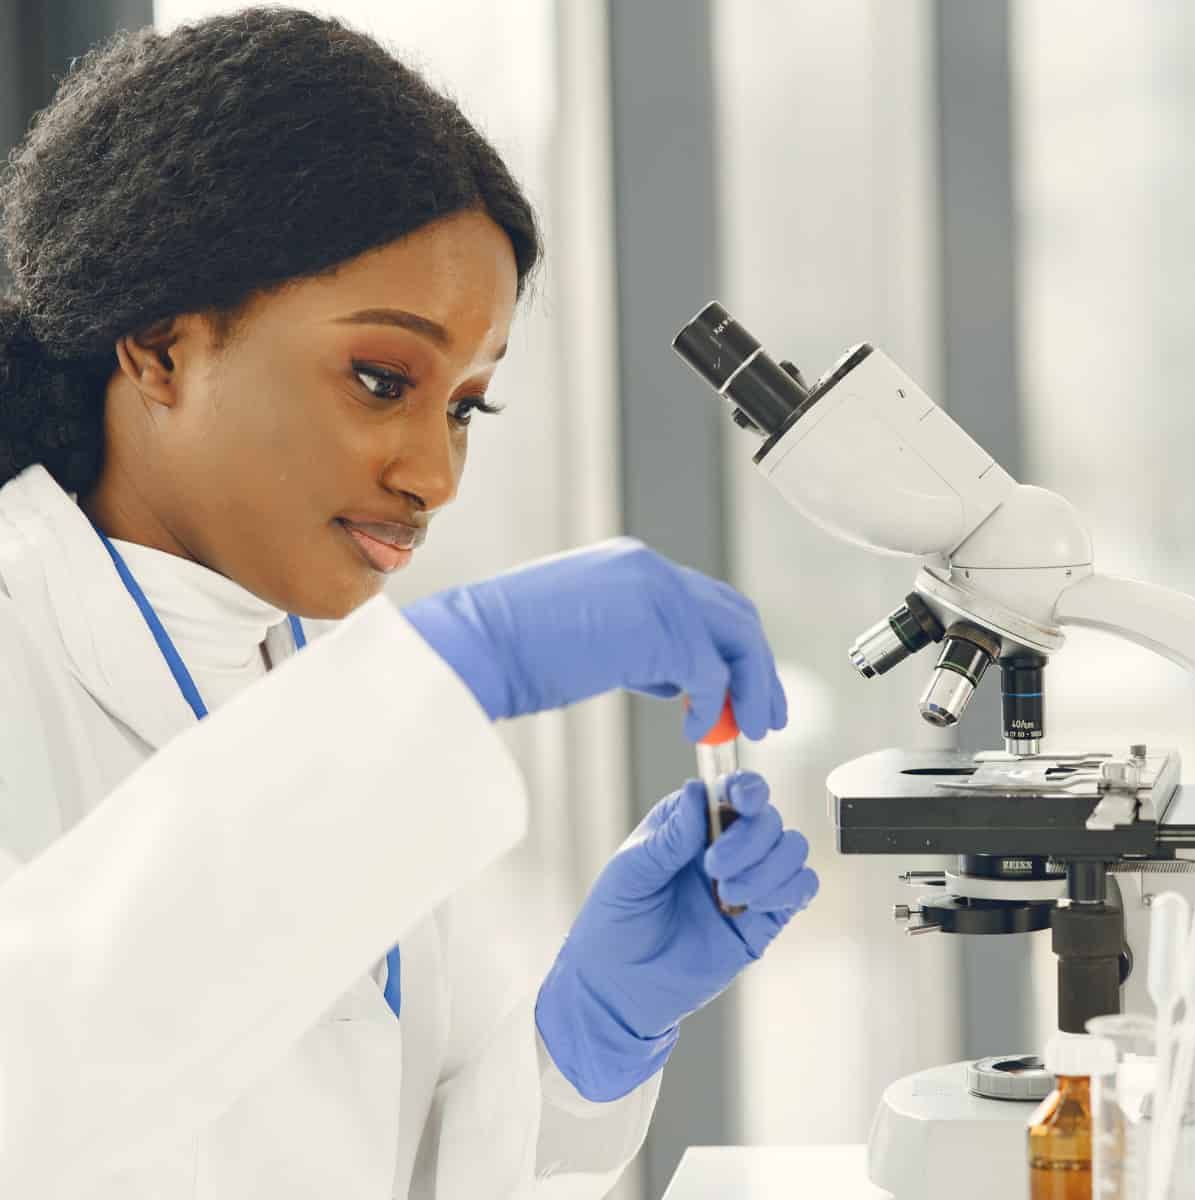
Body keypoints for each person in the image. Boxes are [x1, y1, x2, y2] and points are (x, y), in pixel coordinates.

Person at [0, 8, 819, 1198]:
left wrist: (590, 1038)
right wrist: (451, 670)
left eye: (464, 407)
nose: (434, 474)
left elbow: (385, 1164)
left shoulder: (301, 673)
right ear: (158, 344)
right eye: (382, 379)